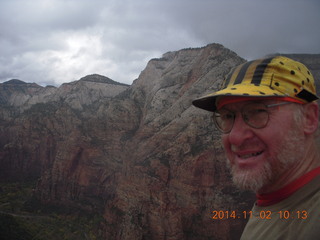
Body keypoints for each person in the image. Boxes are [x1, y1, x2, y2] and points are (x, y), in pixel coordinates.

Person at [192, 56, 320, 240]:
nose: (235, 136)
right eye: (227, 116)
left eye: (258, 111)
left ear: (309, 118)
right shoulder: (275, 202)